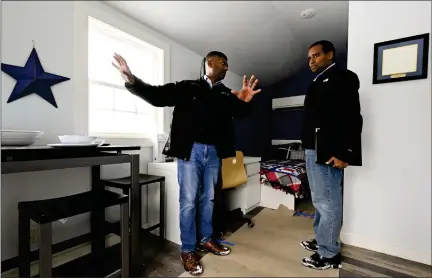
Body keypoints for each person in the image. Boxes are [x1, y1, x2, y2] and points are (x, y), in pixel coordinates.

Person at [112, 51, 261, 275]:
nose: (227, 68)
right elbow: (157, 95)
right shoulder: (187, 87)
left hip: (213, 154)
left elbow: (241, 113)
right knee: (189, 201)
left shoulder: (225, 94)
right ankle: (188, 250)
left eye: (228, 64)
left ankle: (207, 239)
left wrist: (246, 101)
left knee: (209, 199)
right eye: (223, 63)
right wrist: (132, 80)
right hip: (190, 152)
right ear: (209, 63)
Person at [300, 40, 363, 270]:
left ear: (329, 55)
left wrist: (345, 152)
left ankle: (329, 255)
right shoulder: (318, 82)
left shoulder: (342, 77)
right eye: (309, 58)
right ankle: (322, 240)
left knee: (327, 202)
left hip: (327, 150)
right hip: (312, 148)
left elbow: (352, 117)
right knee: (320, 201)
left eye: (316, 55)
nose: (311, 61)